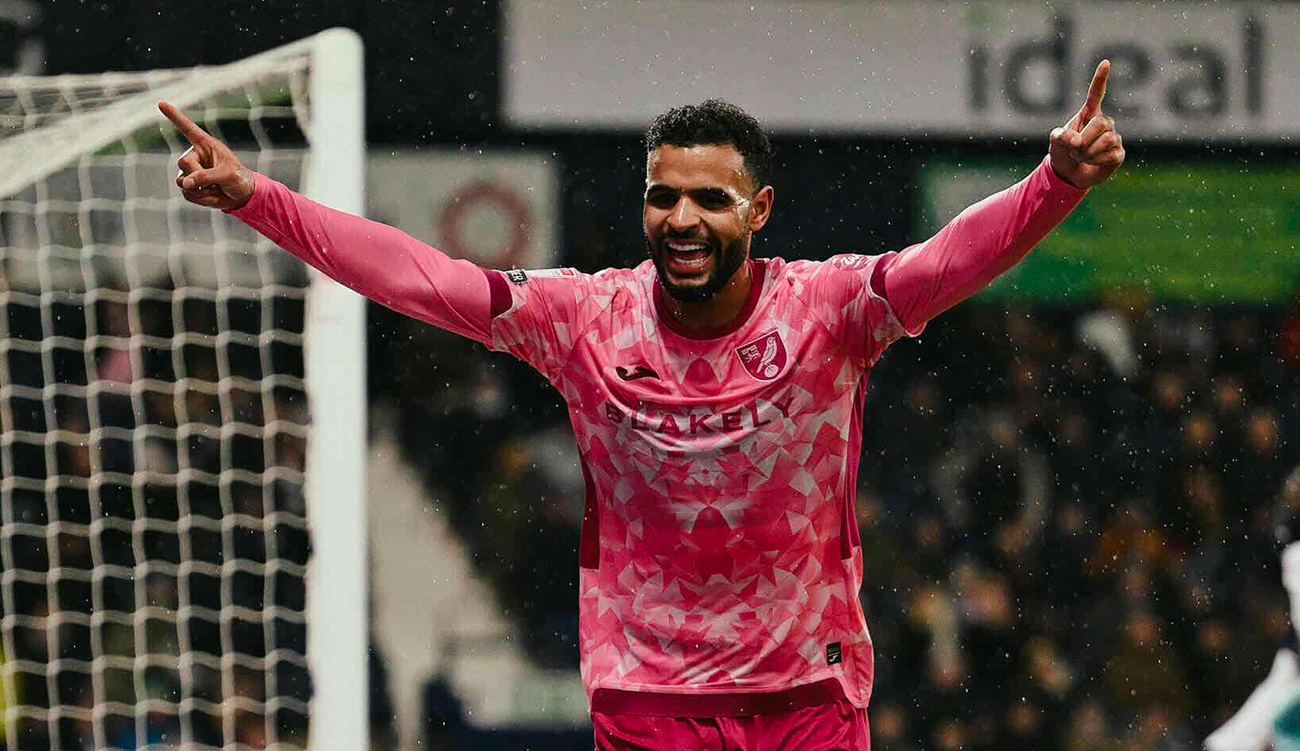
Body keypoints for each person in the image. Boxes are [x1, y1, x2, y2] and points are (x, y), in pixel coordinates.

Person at [158, 59, 1125, 750]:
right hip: (649, 696)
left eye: (710, 199)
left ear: (760, 210)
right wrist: (258, 199)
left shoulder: (830, 310)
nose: (682, 219)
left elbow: (950, 260)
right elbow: (424, 278)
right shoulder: (586, 319)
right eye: (664, 196)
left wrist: (1056, 185)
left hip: (812, 694)